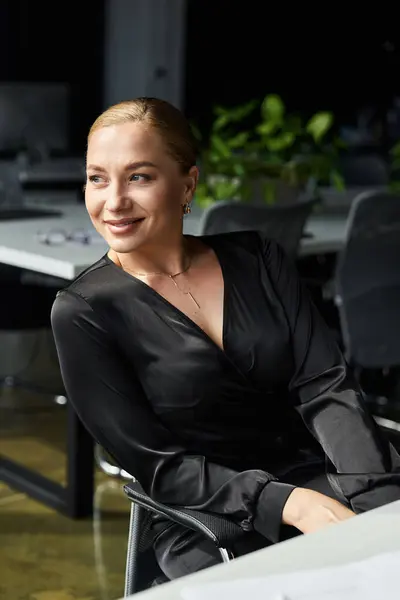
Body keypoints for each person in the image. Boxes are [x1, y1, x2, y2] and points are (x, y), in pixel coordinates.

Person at [51, 97, 400, 581]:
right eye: (97, 178)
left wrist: (375, 498)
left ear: (187, 183)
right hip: (213, 515)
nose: (113, 202)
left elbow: (324, 385)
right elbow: (163, 468)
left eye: (139, 176)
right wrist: (292, 504)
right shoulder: (83, 312)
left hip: (331, 468)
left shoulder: (259, 258)